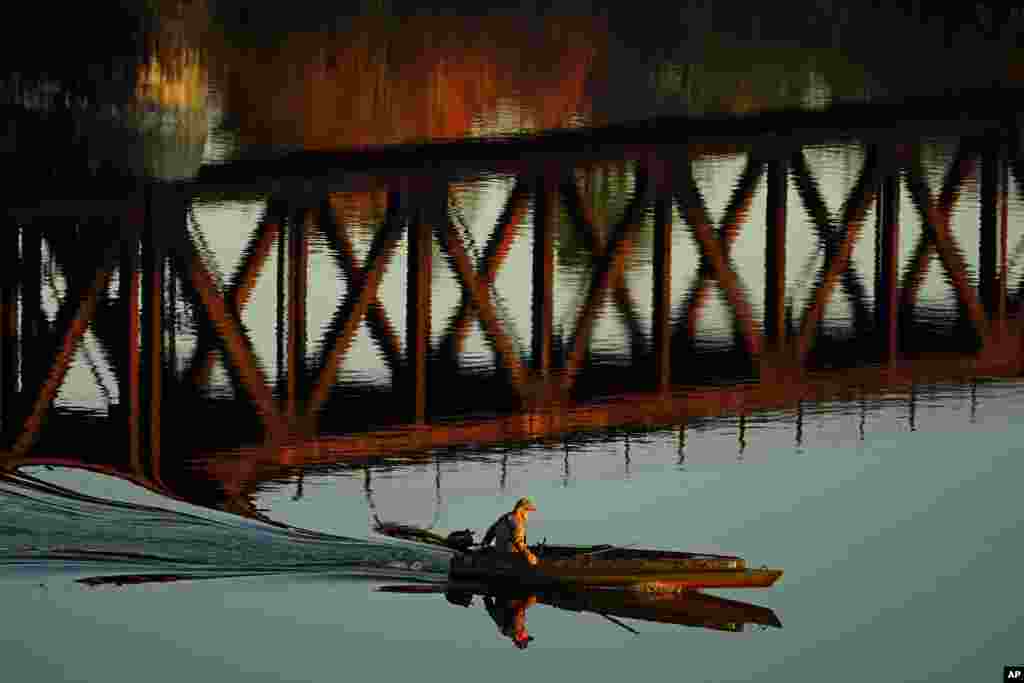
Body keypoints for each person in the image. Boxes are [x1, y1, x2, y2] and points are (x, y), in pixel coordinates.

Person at [481, 497, 539, 565]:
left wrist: (484, 544)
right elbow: (518, 542)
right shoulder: (518, 522)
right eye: (527, 511)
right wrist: (529, 555)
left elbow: (491, 532)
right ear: (521, 510)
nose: (527, 514)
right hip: (511, 557)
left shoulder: (505, 517)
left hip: (499, 554)